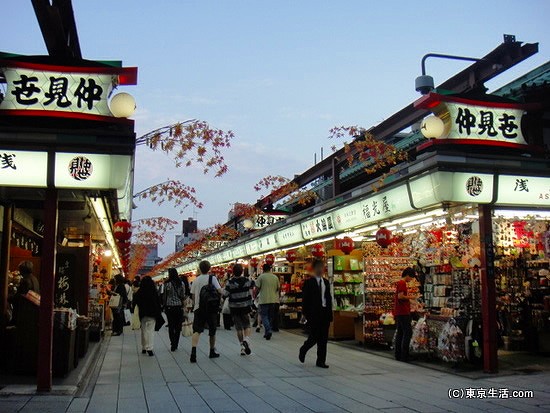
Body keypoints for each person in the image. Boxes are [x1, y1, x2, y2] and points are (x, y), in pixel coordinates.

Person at [299, 259, 333, 368]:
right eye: (318, 267)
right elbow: (305, 299)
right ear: (314, 269)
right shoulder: (309, 283)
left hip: (324, 314)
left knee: (323, 339)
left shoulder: (326, 282)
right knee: (314, 337)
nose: (320, 270)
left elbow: (328, 298)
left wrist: (330, 314)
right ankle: (304, 349)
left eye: (322, 267)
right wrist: (304, 314)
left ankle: (321, 361)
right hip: (314, 314)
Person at [189, 260, 222, 363]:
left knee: (197, 330)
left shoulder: (196, 280)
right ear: (209, 268)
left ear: (199, 268)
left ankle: (193, 351)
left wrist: (195, 305)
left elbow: (193, 295)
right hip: (211, 308)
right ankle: (212, 351)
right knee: (212, 330)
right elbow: (219, 291)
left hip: (199, 308)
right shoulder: (212, 278)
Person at [224, 264, 254, 356]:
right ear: (242, 271)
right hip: (245, 306)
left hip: (234, 307)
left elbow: (225, 294)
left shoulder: (230, 282)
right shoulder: (247, 281)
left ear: (233, 272)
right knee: (247, 325)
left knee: (239, 328)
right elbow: (253, 286)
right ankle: (247, 340)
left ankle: (242, 347)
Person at [133, 276, 162, 356]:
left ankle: (143, 347)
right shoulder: (153, 291)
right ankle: (149, 348)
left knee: (144, 330)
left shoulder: (140, 291)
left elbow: (136, 301)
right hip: (152, 314)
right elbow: (157, 303)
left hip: (142, 314)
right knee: (150, 331)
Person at [394, 267, 417, 362]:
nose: (411, 280)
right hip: (403, 312)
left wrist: (411, 301)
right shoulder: (402, 283)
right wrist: (411, 297)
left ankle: (398, 354)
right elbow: (401, 296)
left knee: (400, 333)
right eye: (411, 278)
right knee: (407, 333)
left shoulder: (400, 283)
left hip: (399, 311)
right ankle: (405, 355)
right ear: (407, 275)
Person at [163, 268, 186, 351]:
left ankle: (172, 342)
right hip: (178, 306)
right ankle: (176, 343)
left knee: (171, 325)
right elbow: (183, 295)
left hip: (169, 307)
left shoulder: (167, 284)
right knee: (178, 326)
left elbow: (165, 296)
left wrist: (164, 305)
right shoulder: (181, 283)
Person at [255, 263, 280, 340]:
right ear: (270, 269)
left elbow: (257, 287)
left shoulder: (261, 277)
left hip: (263, 299)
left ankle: (268, 330)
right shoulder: (275, 277)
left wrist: (256, 295)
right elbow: (278, 288)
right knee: (270, 316)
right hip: (273, 299)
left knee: (264, 316)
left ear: (263, 269)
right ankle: (266, 333)